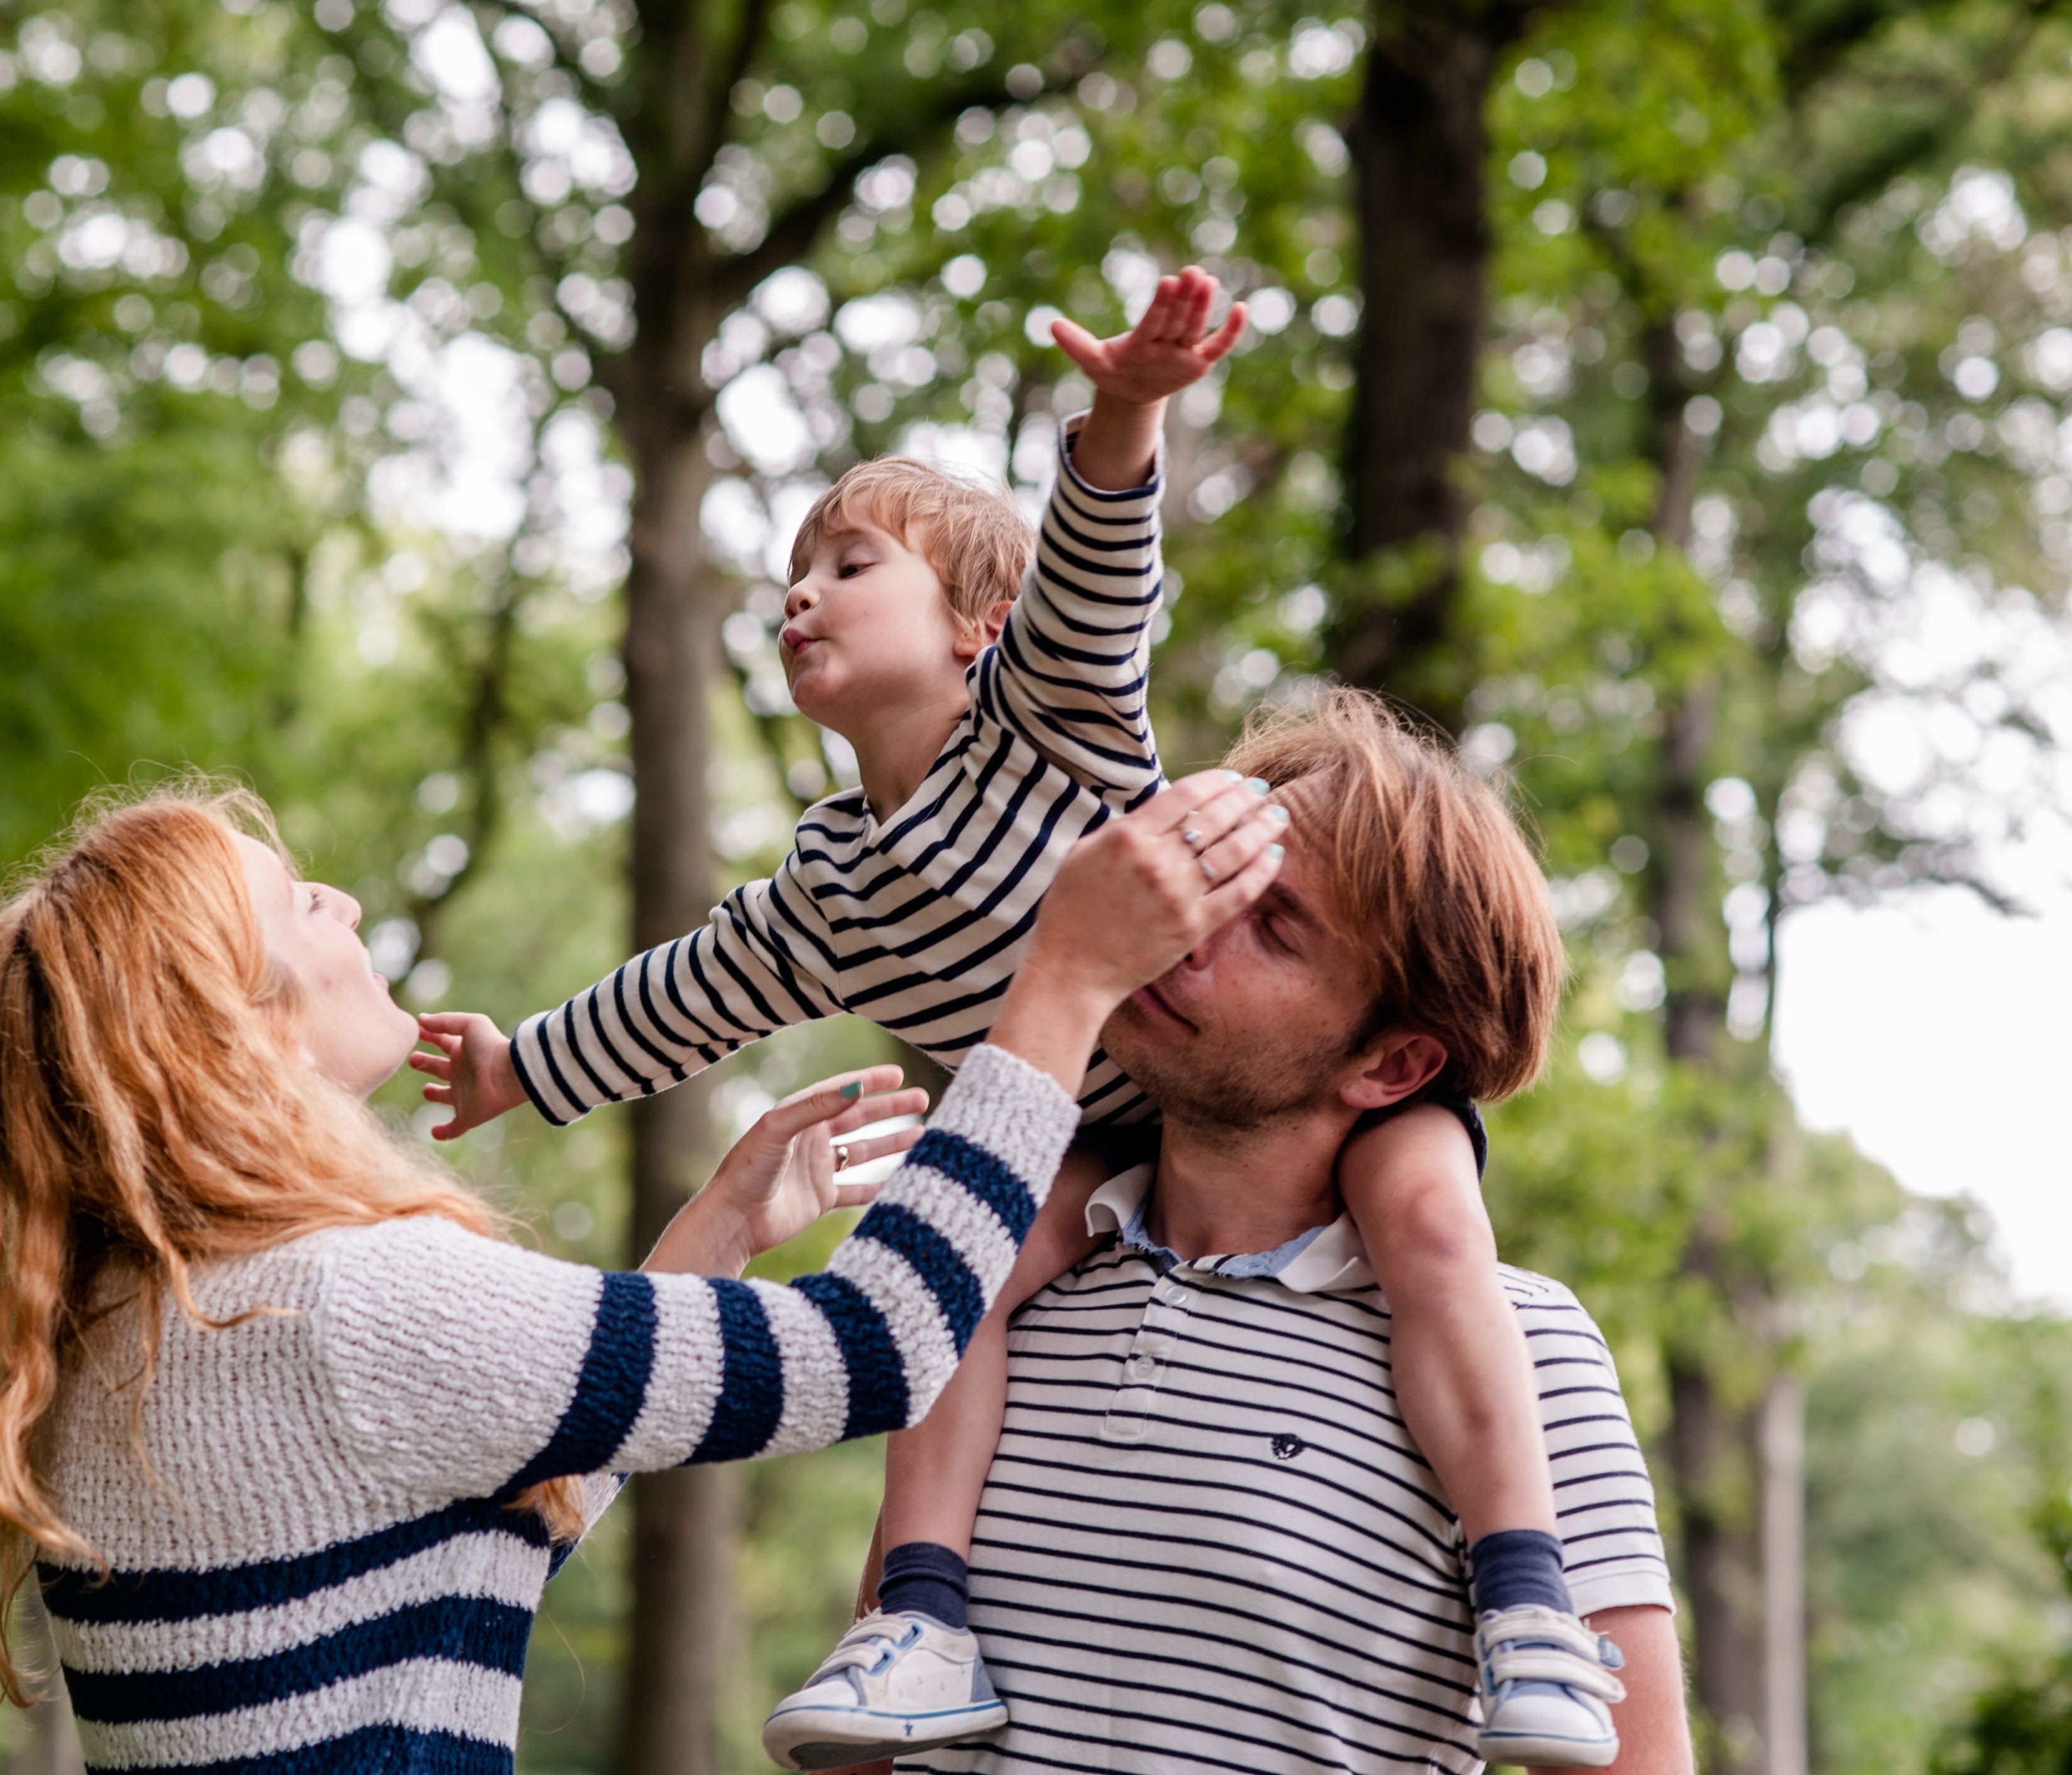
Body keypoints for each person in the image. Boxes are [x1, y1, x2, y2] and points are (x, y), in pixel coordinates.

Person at [417, 269, 1596, 1762]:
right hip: (1080, 1147)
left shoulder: (1051, 723)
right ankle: (919, 1613)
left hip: (1281, 1117)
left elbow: (1095, 579)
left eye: (850, 563)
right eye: (796, 569)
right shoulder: (835, 881)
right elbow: (693, 992)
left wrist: (1125, 408)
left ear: (980, 622)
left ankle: (1527, 1598)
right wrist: (526, 1064)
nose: (802, 590)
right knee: (940, 1273)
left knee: (1424, 1210)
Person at [0, 770, 1283, 1775]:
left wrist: (718, 1236)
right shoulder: (340, 1305)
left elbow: (495, 1507)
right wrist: (1062, 982)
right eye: (292, 903)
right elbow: (877, 1348)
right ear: (231, 1024)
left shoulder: (142, 1329)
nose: (342, 897)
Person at [787, 691, 1690, 1775]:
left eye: (1275, 926)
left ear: (1391, 1066)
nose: (1188, 927)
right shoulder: (994, 1292)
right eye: (1214, 879)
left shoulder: (1524, 1349)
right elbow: (869, 1746)